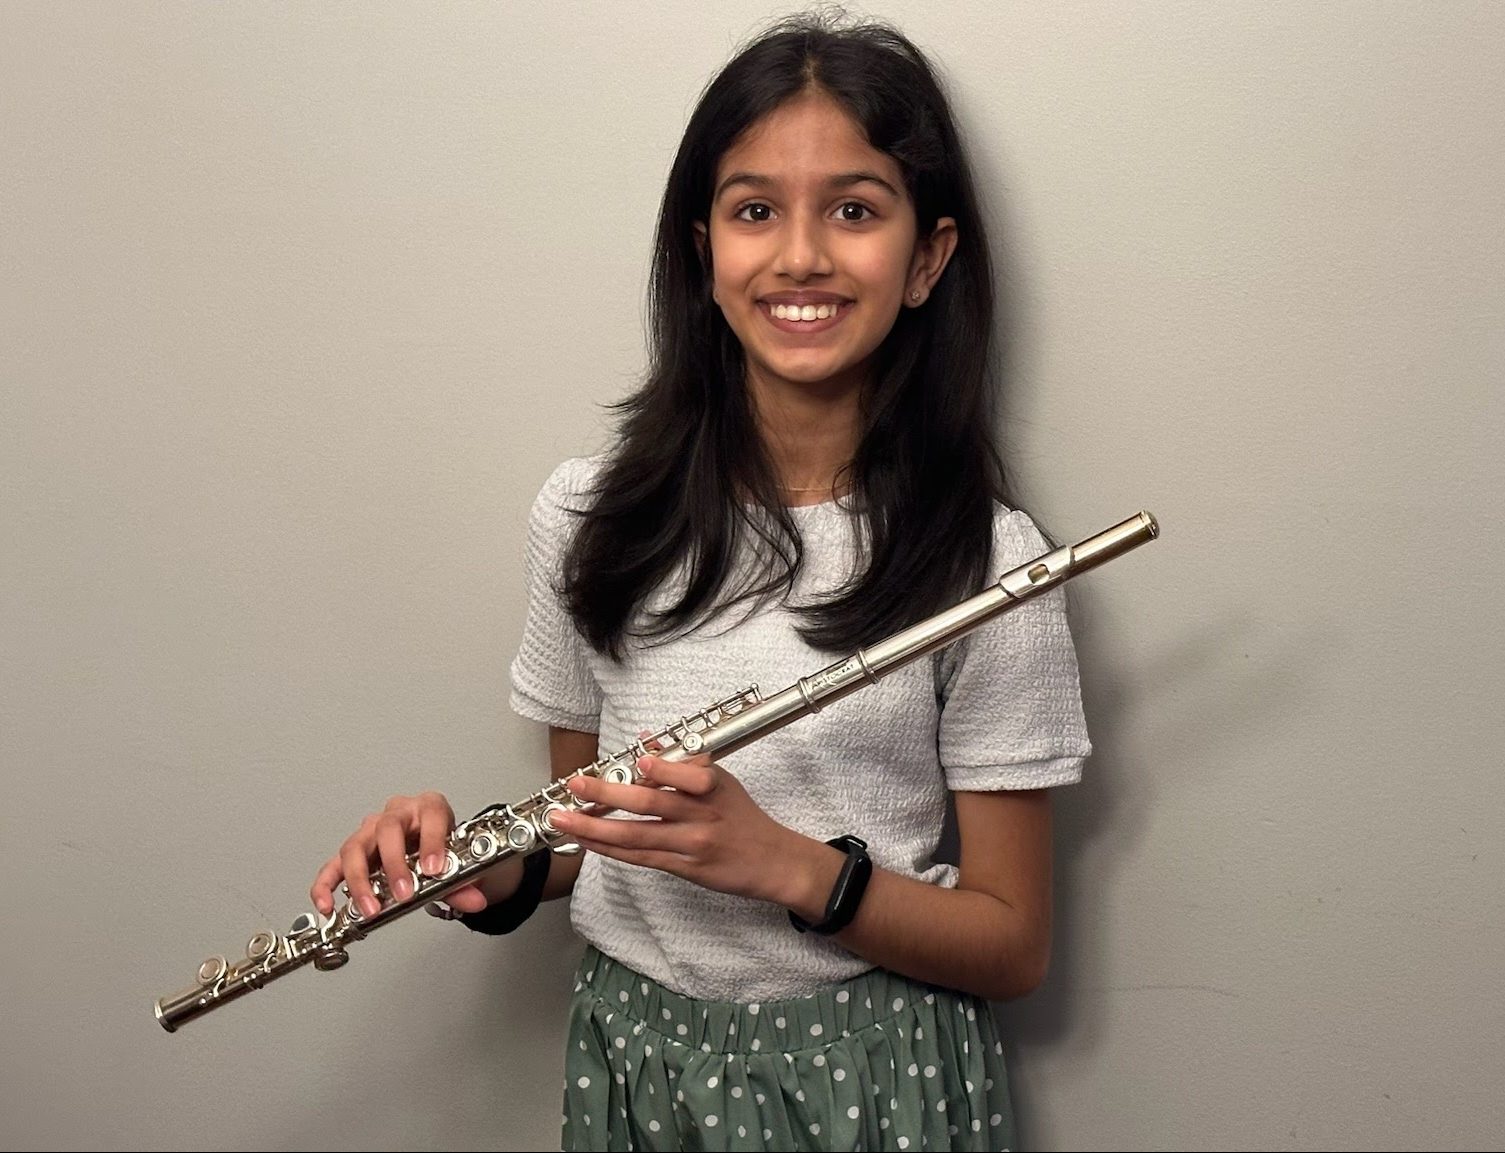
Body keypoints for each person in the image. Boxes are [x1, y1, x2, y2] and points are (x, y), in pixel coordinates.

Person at [311, 13, 1089, 1152]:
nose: (800, 257)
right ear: (700, 249)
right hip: (638, 1052)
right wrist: (495, 868)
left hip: (870, 1071)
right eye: (754, 209)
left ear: (926, 257)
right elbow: (586, 833)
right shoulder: (587, 516)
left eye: (856, 209)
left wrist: (780, 862)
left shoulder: (989, 561)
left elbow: (1011, 943)